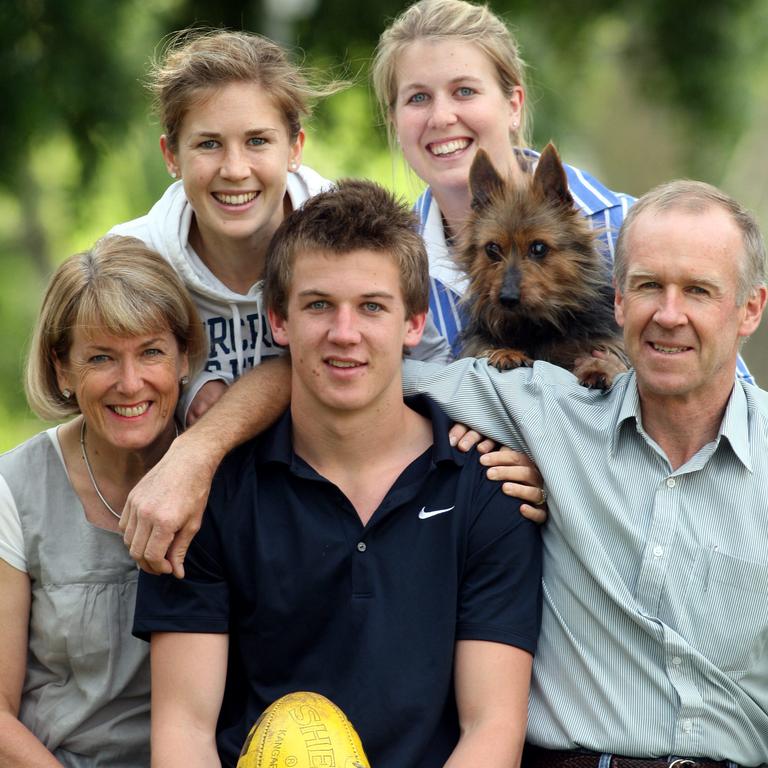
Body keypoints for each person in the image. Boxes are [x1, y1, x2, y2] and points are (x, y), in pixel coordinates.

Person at [133, 180, 543, 768]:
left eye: (372, 307)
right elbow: (184, 729)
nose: (344, 333)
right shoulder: (209, 496)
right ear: (279, 319)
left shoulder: (487, 492)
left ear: (414, 322)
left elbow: (491, 727)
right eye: (318, 304)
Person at [399, 179, 768, 766]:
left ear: (751, 307)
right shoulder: (543, 408)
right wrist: (201, 441)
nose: (669, 315)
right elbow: (351, 370)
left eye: (698, 290)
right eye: (649, 287)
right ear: (618, 299)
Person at [370, 0, 756, 391]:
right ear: (394, 119)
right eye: (417, 98)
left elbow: (730, 405)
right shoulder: (382, 265)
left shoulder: (635, 228)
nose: (441, 117)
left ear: (513, 104)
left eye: (465, 91)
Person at [109, 28, 450, 427]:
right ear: (171, 155)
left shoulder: (360, 240)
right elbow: (102, 385)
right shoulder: (131, 262)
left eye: (257, 141)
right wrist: (190, 387)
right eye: (208, 144)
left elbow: (436, 369)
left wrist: (499, 448)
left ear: (294, 148)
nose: (234, 170)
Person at [0, 236, 207, 767]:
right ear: (63, 369)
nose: (130, 383)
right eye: (100, 358)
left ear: (185, 357)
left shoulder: (220, 469)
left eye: (151, 352)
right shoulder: (15, 487)